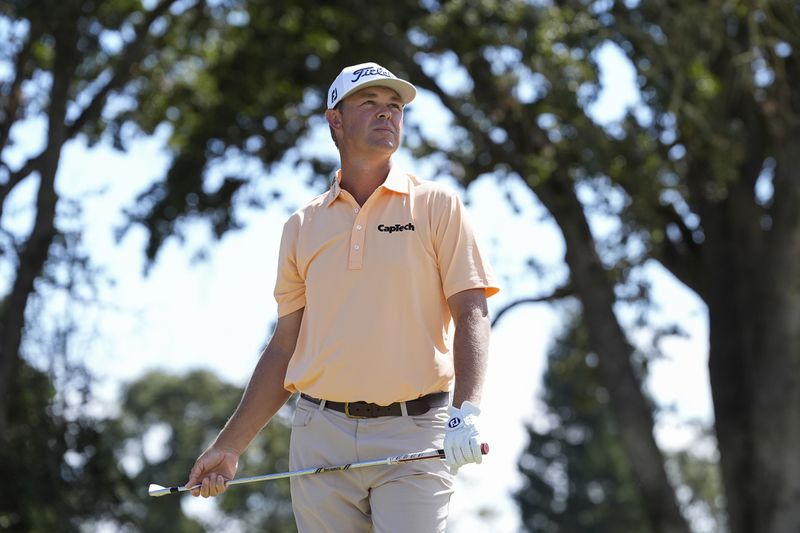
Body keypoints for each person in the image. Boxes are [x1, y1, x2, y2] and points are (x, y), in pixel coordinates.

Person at [185, 61, 499, 532]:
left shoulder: (437, 206)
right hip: (319, 435)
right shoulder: (302, 226)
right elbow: (284, 347)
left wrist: (467, 412)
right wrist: (228, 447)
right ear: (335, 119)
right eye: (369, 103)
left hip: (415, 432)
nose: (386, 114)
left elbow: (471, 309)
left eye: (394, 106)